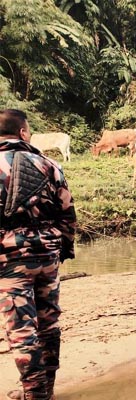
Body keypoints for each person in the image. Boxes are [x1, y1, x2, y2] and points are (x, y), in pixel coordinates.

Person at [0, 109, 76, 400]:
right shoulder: (49, 165)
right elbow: (67, 213)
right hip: (47, 255)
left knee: (22, 330)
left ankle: (35, 394)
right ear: (22, 132)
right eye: (29, 130)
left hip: (9, 261)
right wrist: (64, 249)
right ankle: (48, 388)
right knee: (48, 323)